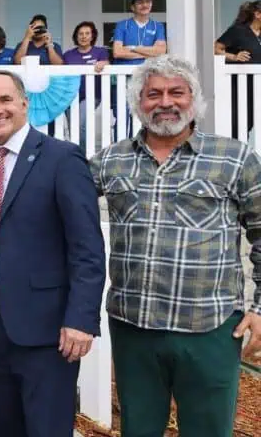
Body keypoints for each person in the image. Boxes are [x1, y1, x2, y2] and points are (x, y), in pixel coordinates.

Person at [90, 56, 261, 436]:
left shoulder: (234, 158)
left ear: (193, 99)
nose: (165, 102)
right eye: (153, 94)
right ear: (139, 103)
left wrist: (260, 308)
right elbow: (58, 195)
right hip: (134, 327)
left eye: (176, 92)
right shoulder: (111, 161)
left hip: (210, 329)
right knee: (138, 428)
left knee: (208, 430)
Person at [0, 69, 106, 436]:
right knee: (0, 428)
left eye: (5, 100)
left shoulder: (62, 158)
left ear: (24, 103)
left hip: (48, 329)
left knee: (46, 429)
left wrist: (82, 319)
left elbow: (86, 246)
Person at [214, 0, 261, 139]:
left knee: (252, 121)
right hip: (239, 87)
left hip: (257, 87)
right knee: (240, 123)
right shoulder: (238, 31)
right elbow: (215, 48)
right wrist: (233, 56)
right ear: (257, 14)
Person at [62, 21, 111, 151]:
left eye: (87, 33)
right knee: (74, 127)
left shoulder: (100, 52)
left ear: (92, 36)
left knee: (81, 124)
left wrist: (105, 63)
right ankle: (74, 154)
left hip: (91, 95)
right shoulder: (68, 55)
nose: (83, 36)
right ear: (76, 36)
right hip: (71, 95)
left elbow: (107, 63)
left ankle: (83, 155)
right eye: (80, 34)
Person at [111, 0, 167, 65]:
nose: (145, 5)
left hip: (148, 72)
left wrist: (132, 48)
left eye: (148, 2)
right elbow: (117, 53)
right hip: (125, 73)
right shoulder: (122, 25)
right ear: (133, 7)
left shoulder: (158, 26)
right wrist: (149, 54)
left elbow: (160, 52)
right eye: (140, 3)